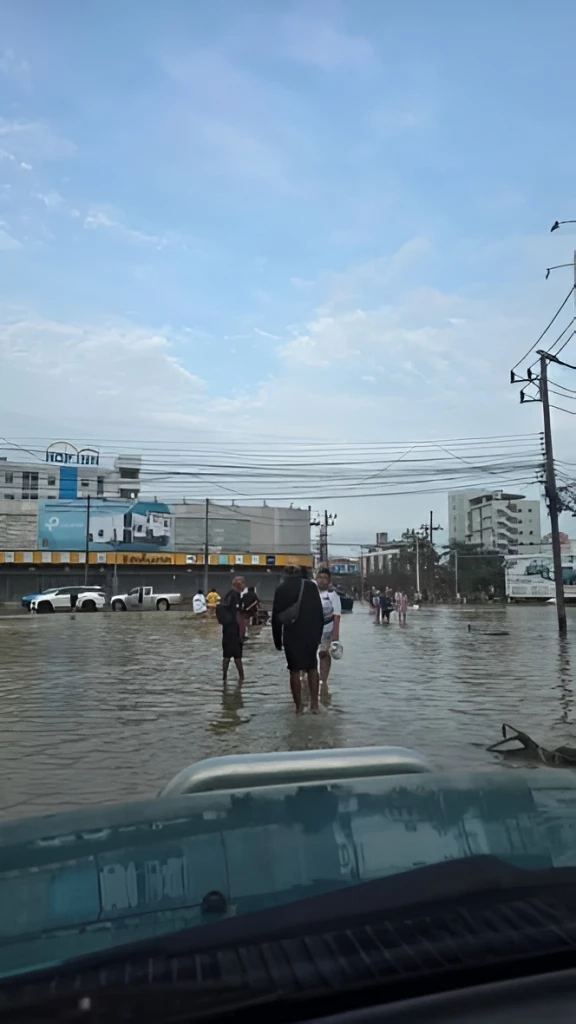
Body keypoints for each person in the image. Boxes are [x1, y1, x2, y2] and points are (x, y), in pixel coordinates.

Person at [272, 565, 324, 714]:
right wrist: (318, 636)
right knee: (312, 668)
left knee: (294, 670)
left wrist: (277, 640)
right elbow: (319, 613)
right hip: (310, 634)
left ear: (285, 574)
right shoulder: (311, 587)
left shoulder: (281, 589)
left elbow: (276, 617)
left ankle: (298, 708)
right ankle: (315, 706)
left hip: (291, 634)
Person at [316, 567, 341, 685]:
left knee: (323, 653)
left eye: (325, 578)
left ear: (329, 580)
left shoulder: (333, 596)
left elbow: (337, 616)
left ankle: (323, 680)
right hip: (311, 629)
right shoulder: (310, 592)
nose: (322, 580)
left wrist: (335, 637)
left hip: (327, 629)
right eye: (320, 577)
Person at [218, 584, 245, 684]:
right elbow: (238, 615)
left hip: (226, 630)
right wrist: (241, 632)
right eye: (243, 583)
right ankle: (242, 679)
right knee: (237, 656)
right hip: (234, 630)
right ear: (239, 585)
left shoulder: (227, 595)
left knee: (226, 656)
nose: (245, 586)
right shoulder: (235, 596)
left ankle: (224, 678)